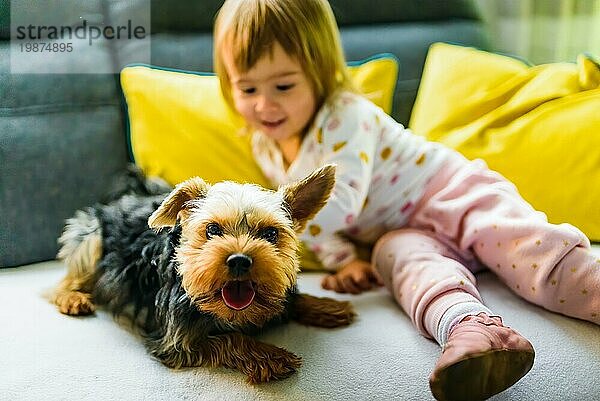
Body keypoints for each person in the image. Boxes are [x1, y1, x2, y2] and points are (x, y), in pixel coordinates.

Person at [212, 0, 600, 399]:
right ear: (228, 85)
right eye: (248, 88)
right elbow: (310, 221)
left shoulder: (346, 115)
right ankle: (471, 331)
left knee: (533, 252)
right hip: (401, 232)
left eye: (283, 86)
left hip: (452, 194)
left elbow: (330, 206)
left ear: (321, 74)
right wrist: (345, 260)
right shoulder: (266, 147)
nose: (264, 104)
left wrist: (277, 224)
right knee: (411, 272)